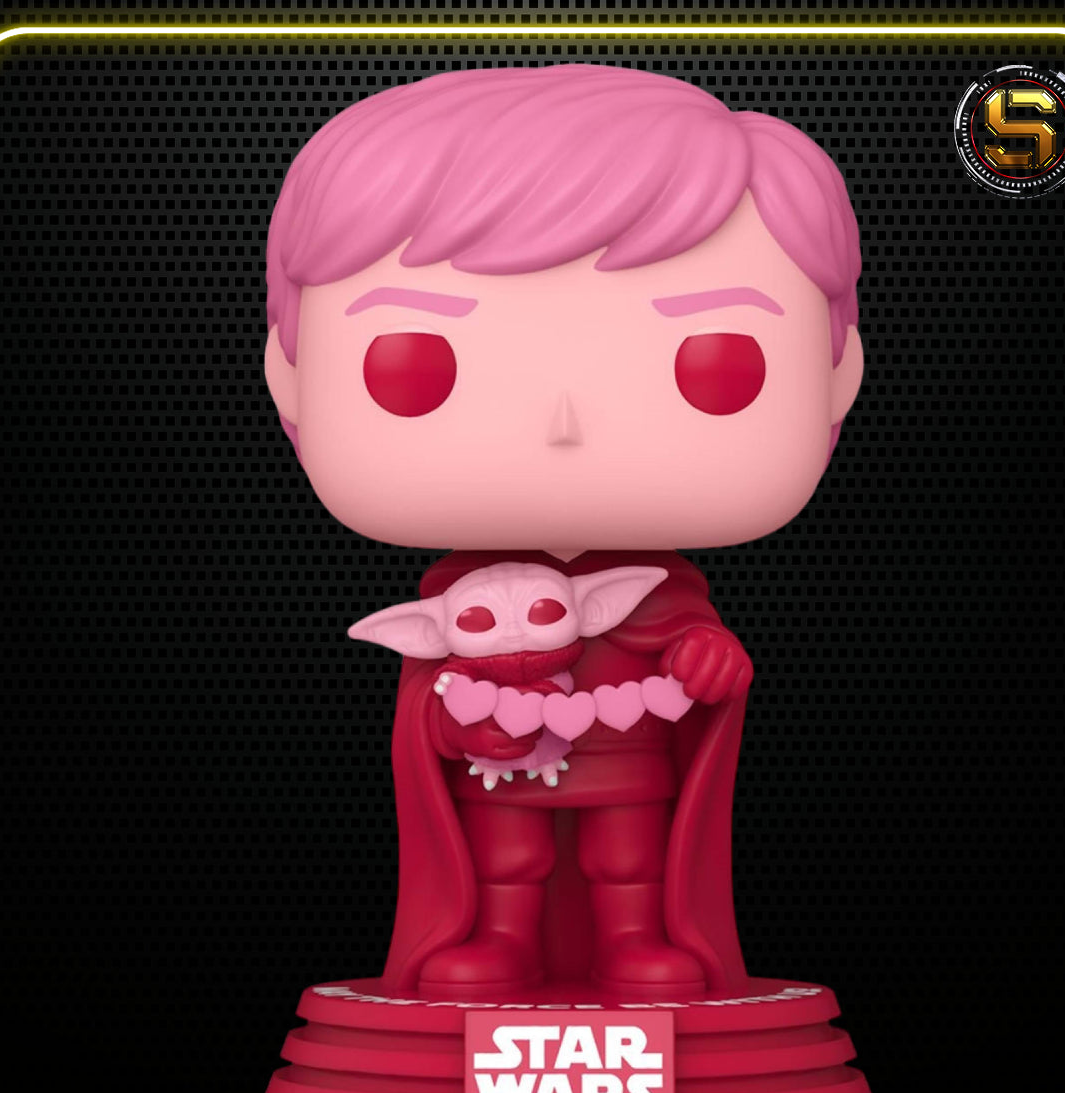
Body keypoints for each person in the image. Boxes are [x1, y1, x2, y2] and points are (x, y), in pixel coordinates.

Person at [263, 64, 863, 1000]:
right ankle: (500, 941)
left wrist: (706, 658)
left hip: (632, 769)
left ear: (837, 375)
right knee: (508, 861)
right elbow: (427, 717)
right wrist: (454, 725)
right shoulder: (453, 605)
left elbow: (697, 663)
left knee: (630, 860)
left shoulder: (661, 598)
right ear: (291, 377)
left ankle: (634, 943)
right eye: (414, 366)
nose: (563, 424)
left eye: (715, 365)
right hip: (500, 781)